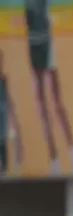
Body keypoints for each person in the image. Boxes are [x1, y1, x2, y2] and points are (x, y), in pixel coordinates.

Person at [23, 0, 73, 174]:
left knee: (56, 103)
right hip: (32, 44)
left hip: (45, 42)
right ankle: (54, 159)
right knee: (41, 106)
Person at [0, 48, 23, 176]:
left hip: (2, 129)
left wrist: (14, 124)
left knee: (3, 146)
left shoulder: (3, 82)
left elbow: (10, 104)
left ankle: (4, 170)